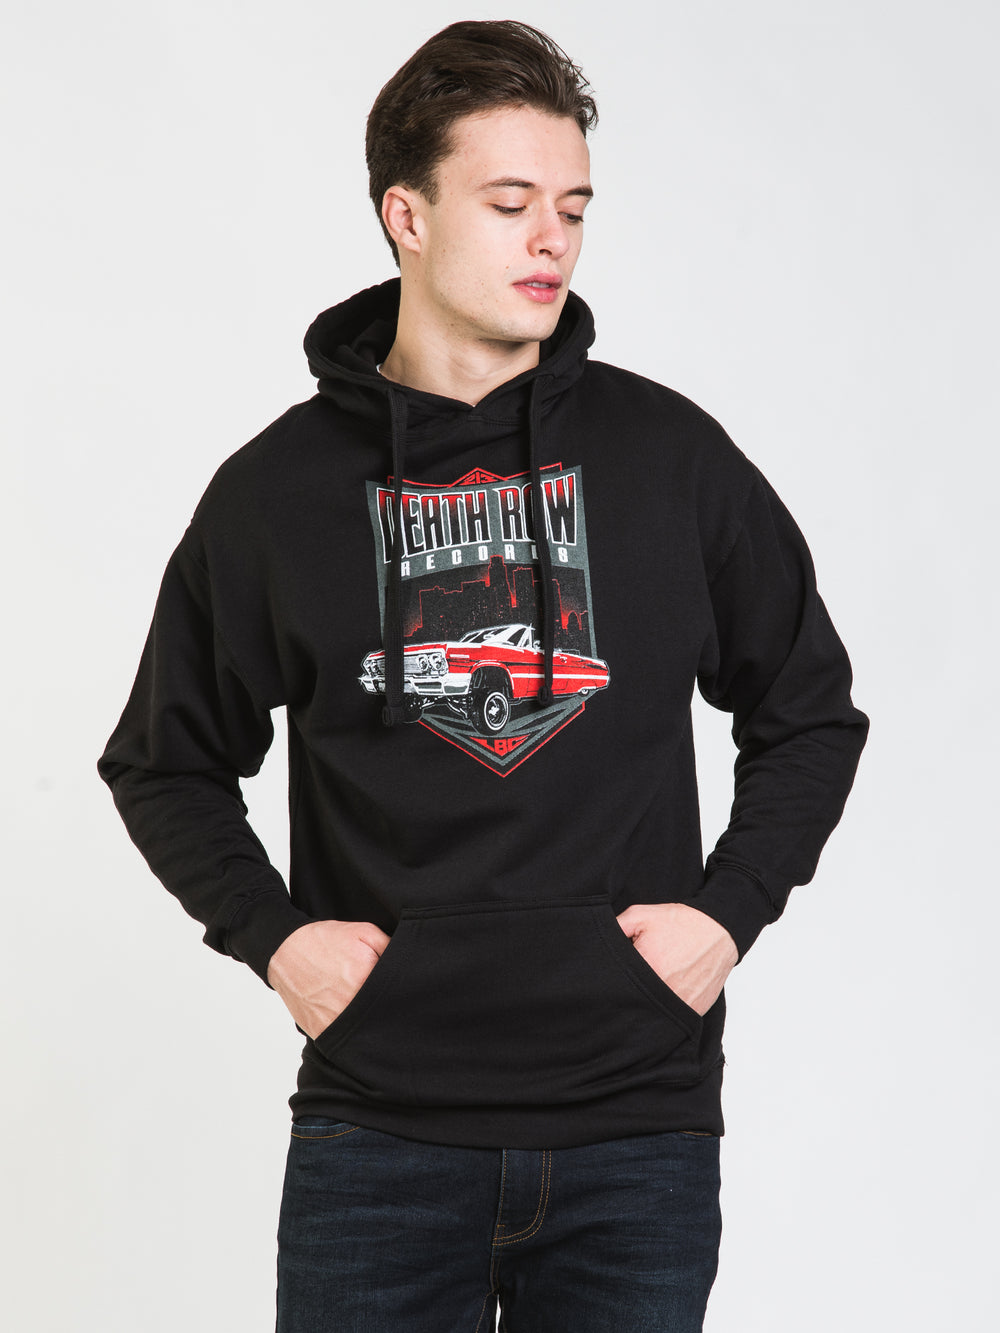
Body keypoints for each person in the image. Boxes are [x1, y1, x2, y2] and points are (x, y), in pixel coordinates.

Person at [98, 19, 868, 1333]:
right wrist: (276, 939)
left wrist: (729, 912)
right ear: (406, 215)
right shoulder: (278, 494)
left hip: (636, 1131)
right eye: (510, 204)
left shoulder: (671, 459)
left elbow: (808, 711)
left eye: (574, 207)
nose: (551, 238)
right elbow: (164, 761)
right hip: (379, 1133)